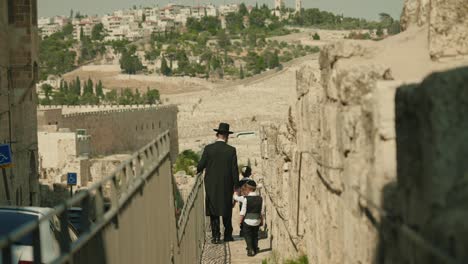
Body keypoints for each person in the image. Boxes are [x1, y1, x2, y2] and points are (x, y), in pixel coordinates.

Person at [197, 123, 239, 244]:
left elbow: (201, 165)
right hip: (226, 185)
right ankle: (227, 235)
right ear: (227, 136)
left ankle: (215, 236)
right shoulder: (231, 150)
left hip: (211, 185)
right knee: (226, 210)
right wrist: (236, 187)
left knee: (213, 210)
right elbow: (234, 170)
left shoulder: (208, 149)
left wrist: (198, 170)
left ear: (217, 135)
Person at [234, 179, 264, 257]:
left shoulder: (245, 199)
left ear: (249, 189)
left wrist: (240, 221)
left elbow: (243, 212)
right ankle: (255, 248)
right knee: (255, 235)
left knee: (248, 235)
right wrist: (262, 221)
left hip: (247, 221)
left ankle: (250, 249)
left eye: (245, 189)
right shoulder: (260, 199)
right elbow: (261, 212)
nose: (245, 191)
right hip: (257, 220)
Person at [236, 166, 252, 237]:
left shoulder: (240, 182)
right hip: (250, 201)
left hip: (242, 201)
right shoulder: (252, 182)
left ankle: (242, 230)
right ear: (250, 173)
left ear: (242, 174)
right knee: (249, 214)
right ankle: (249, 230)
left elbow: (238, 192)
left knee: (242, 214)